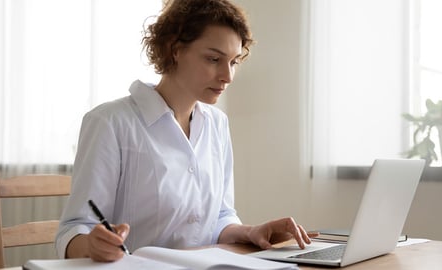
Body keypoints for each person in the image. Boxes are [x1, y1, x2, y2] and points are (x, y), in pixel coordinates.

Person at [55, 0, 317, 262]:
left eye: (234, 61)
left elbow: (219, 218)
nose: (228, 76)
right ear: (174, 50)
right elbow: (74, 230)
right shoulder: (110, 122)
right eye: (214, 59)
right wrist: (92, 245)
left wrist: (250, 232)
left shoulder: (217, 124)